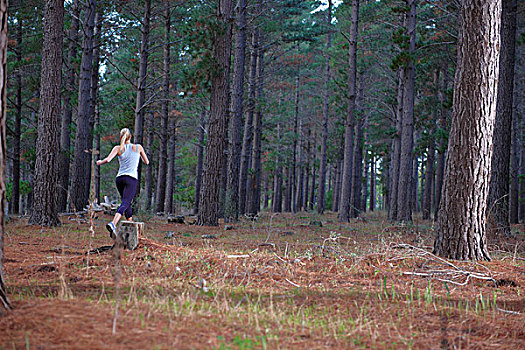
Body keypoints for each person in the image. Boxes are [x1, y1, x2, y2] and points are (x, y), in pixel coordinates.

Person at [96, 128, 149, 239]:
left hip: (119, 179)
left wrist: (100, 162)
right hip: (131, 179)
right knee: (125, 202)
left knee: (126, 202)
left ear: (121, 137)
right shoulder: (138, 147)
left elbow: (108, 160)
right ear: (130, 137)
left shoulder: (118, 148)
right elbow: (147, 162)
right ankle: (113, 224)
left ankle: (131, 226)